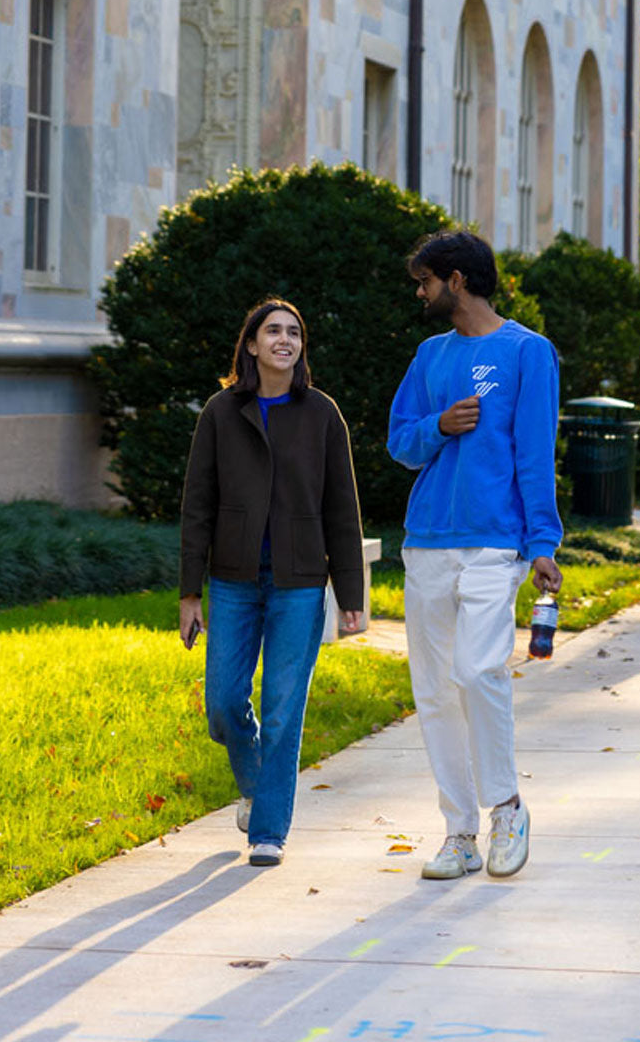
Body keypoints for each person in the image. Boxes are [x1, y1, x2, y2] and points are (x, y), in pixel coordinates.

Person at [387, 229, 563, 881]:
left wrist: (543, 543)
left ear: (456, 281)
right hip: (427, 539)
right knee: (433, 691)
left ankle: (507, 808)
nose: (420, 292)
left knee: (478, 670)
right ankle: (459, 832)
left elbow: (534, 453)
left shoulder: (528, 353)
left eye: (426, 280)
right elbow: (400, 443)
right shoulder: (429, 355)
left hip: (496, 542)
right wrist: (439, 426)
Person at [179, 297, 365, 868]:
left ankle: (268, 830)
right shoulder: (220, 411)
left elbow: (342, 507)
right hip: (234, 580)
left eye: (294, 332)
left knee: (285, 708)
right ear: (252, 345)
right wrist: (190, 592)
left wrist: (352, 596)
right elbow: (197, 504)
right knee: (224, 704)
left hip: (300, 582)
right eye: (272, 331)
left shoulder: (322, 413)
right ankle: (258, 781)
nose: (284, 339)